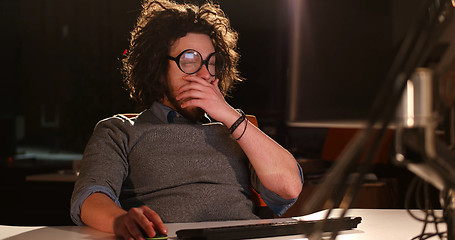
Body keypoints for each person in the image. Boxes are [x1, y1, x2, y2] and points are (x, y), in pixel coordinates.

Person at [70, 0, 304, 239]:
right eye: (190, 60)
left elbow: (289, 187)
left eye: (211, 63)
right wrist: (120, 220)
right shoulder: (120, 130)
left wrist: (228, 115)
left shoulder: (235, 130)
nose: (204, 74)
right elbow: (90, 197)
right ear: (158, 70)